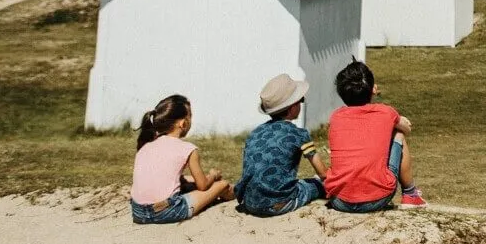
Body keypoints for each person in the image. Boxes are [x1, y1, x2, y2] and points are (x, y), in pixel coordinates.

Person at [324, 60, 425, 212]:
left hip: (339, 200)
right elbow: (406, 129)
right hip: (377, 199)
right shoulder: (386, 112)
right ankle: (410, 194)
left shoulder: (335, 117)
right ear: (373, 89)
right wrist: (397, 121)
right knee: (398, 134)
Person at [130, 94, 233, 224]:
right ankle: (235, 194)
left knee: (187, 181)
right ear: (183, 123)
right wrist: (212, 175)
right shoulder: (188, 148)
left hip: (138, 212)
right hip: (166, 211)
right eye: (190, 117)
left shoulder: (146, 146)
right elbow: (202, 186)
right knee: (222, 185)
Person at [236, 74, 327, 217]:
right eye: (300, 100)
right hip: (279, 204)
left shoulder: (255, 133)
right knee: (317, 184)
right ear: (292, 107)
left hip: (250, 202)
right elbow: (323, 173)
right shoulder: (298, 134)